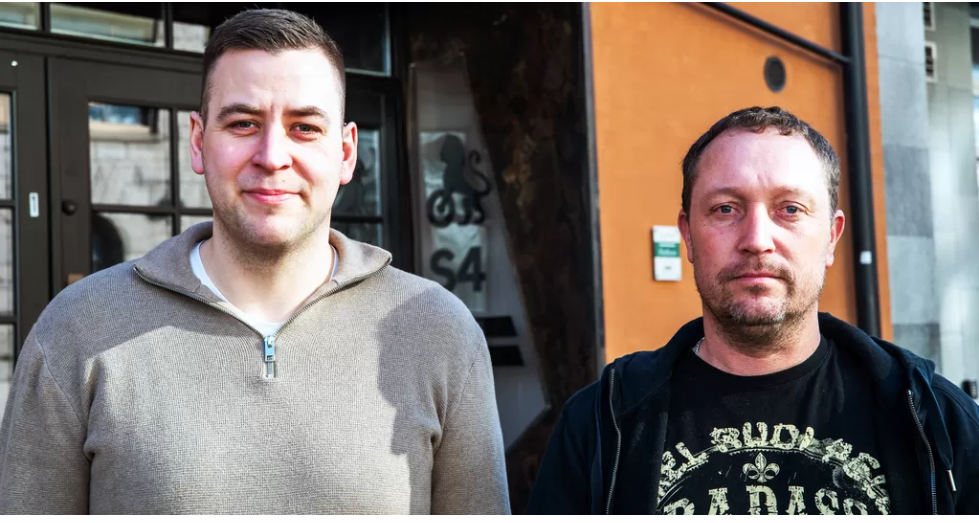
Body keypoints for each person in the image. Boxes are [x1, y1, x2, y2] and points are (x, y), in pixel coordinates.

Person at [0, 9, 509, 515]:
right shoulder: (77, 329)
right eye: (243, 123)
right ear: (198, 142)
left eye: (304, 127)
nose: (272, 155)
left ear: (346, 152)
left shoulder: (439, 331)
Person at [527, 106, 979, 515]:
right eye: (725, 208)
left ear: (831, 237)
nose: (757, 240)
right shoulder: (600, 425)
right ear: (688, 236)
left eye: (790, 209)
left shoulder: (938, 421)